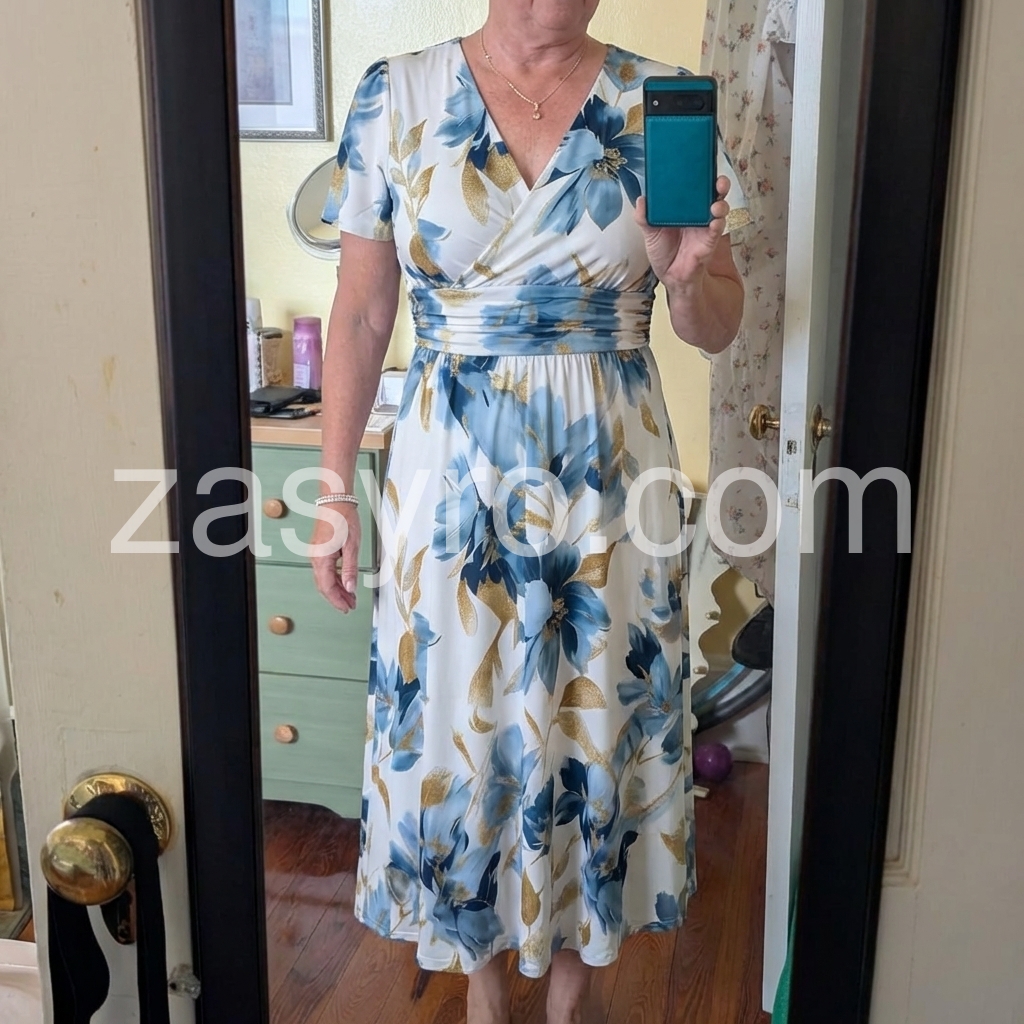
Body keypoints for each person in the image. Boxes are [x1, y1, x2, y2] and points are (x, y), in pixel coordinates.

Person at [311, 2, 745, 1021]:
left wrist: (686, 280)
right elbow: (363, 313)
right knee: (463, 715)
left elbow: (716, 323)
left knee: (593, 713)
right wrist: (333, 492)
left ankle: (572, 986)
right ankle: (482, 978)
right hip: (447, 478)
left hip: (609, 478)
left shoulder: (655, 100)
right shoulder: (395, 94)